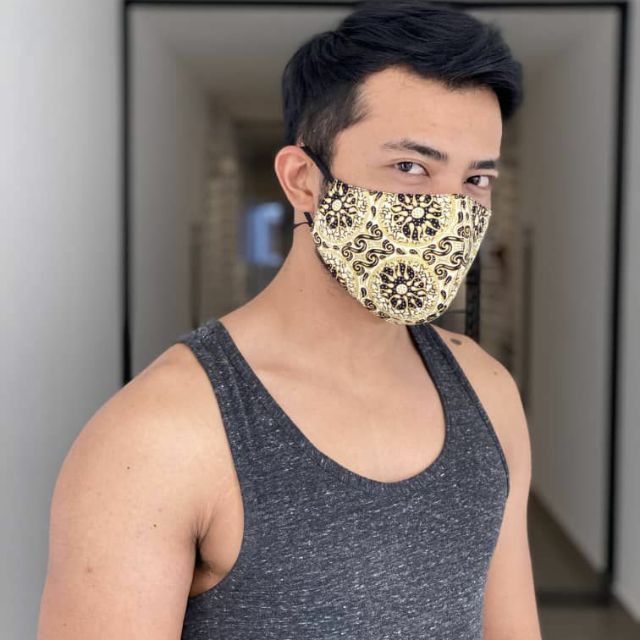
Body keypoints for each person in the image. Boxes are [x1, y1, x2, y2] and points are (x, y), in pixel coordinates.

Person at [38, 1, 541, 638]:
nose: (449, 210)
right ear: (304, 180)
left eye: (475, 179)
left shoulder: (486, 392)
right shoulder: (160, 435)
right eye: (411, 168)